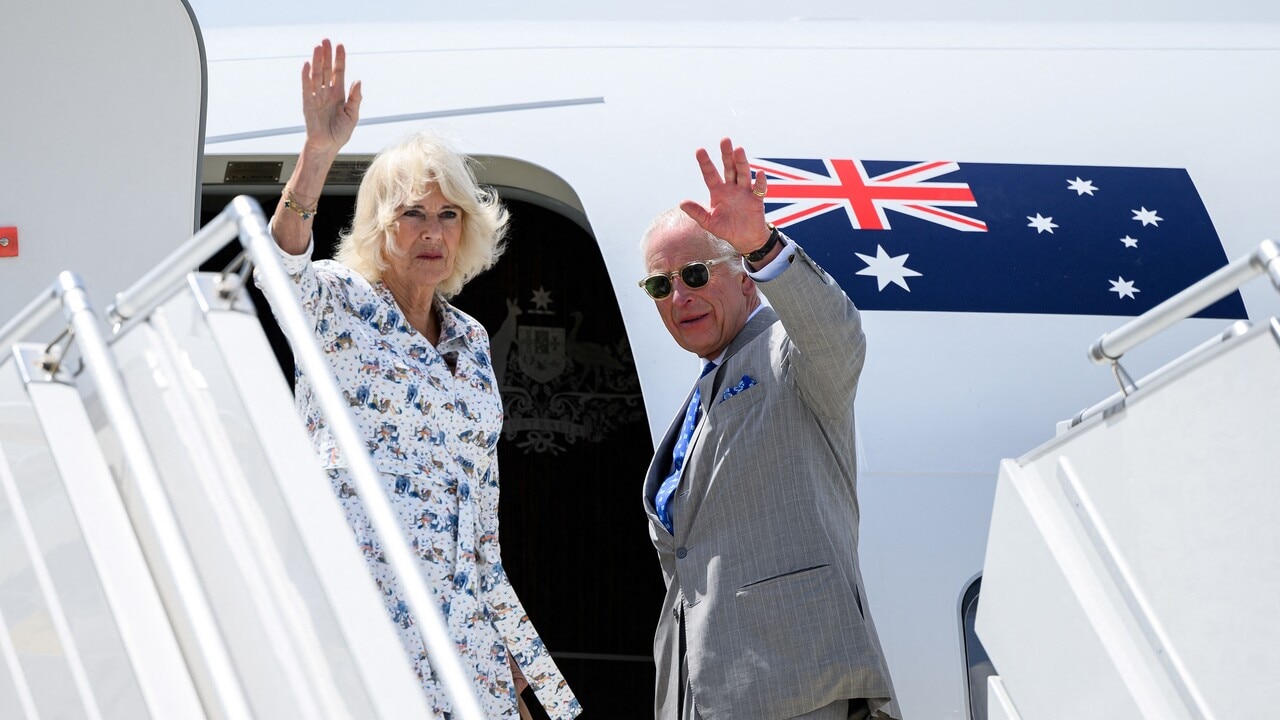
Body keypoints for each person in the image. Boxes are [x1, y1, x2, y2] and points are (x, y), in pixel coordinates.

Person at [262, 39, 580, 719]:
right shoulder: (341, 305)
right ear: (382, 224)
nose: (432, 233)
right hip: (361, 623)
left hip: (464, 633)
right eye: (413, 214)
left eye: (447, 215)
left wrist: (517, 662)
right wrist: (317, 153)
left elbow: (479, 524)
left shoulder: (469, 337)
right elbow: (277, 271)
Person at [638, 138, 900, 720]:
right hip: (706, 697)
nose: (680, 296)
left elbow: (836, 336)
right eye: (661, 285)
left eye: (696, 273)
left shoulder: (786, 354)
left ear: (746, 280)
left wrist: (761, 245)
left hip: (798, 688)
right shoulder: (702, 392)